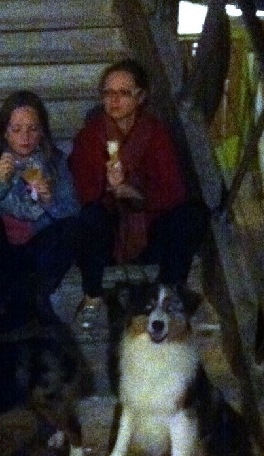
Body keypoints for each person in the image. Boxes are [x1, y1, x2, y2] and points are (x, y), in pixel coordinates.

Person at [69, 59, 210, 328]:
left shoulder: (155, 133)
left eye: (123, 93)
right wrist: (108, 186)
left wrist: (135, 192)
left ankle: (170, 291)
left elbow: (173, 192)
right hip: (109, 236)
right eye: (108, 93)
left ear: (140, 96)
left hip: (148, 228)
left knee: (193, 215)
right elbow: (84, 191)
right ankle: (93, 297)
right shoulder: (90, 136)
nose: (114, 100)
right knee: (89, 218)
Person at [0, 90, 80, 333]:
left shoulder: (55, 162)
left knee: (72, 227)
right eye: (17, 129)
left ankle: (38, 296)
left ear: (42, 131)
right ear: (5, 131)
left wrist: (48, 200)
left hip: (35, 250)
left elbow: (72, 213)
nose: (25, 137)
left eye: (32, 129)